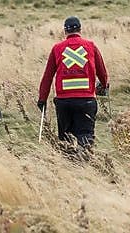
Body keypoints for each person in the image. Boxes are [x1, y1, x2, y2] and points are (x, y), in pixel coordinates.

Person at [37, 16, 108, 159]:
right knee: (85, 135)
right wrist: (104, 85)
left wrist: (42, 99)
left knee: (66, 138)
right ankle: (84, 163)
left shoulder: (57, 48)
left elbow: (47, 77)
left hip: (63, 102)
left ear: (65, 31)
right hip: (86, 100)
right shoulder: (90, 46)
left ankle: (68, 165)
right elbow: (102, 73)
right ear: (80, 29)